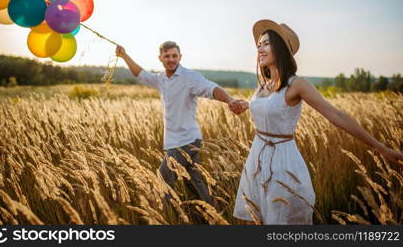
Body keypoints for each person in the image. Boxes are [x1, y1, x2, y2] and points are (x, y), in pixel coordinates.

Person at [231, 19, 403, 224]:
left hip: (282, 164)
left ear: (281, 49)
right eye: (259, 44)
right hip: (257, 159)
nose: (259, 48)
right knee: (253, 220)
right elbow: (270, 109)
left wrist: (380, 147)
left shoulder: (297, 84)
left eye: (266, 43)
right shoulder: (264, 85)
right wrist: (247, 104)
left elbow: (336, 115)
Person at [115, 41, 244, 206]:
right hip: (176, 142)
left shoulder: (189, 77)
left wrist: (230, 100)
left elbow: (211, 89)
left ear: (180, 57)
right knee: (196, 187)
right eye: (167, 56)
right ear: (160, 58)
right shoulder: (161, 79)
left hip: (186, 141)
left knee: (162, 183)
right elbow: (140, 74)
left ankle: (164, 217)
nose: (171, 59)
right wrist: (124, 56)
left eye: (174, 56)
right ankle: (212, 217)